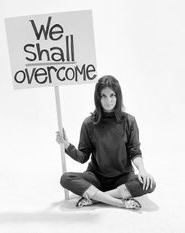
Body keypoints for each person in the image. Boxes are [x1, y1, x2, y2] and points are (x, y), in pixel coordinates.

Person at [55, 75, 156, 210]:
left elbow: (135, 151)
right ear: (98, 98)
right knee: (66, 178)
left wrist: (142, 170)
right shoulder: (89, 123)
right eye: (104, 96)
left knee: (150, 184)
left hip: (123, 179)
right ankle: (120, 202)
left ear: (118, 96)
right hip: (96, 179)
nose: (108, 100)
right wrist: (67, 146)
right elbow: (83, 157)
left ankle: (96, 198)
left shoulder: (129, 121)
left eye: (112, 95)